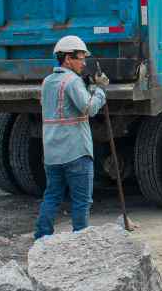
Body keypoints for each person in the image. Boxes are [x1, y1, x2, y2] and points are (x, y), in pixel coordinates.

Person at [33, 35, 108, 240]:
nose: (84, 63)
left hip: (52, 153)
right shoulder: (72, 81)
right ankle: (80, 240)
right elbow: (89, 108)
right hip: (76, 151)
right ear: (68, 58)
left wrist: (88, 88)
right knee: (82, 201)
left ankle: (42, 237)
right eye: (81, 58)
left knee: (52, 196)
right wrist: (100, 90)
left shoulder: (47, 81)